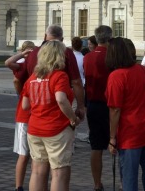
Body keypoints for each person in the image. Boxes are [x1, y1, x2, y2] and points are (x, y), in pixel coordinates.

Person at [105, 37, 145, 191]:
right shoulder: (143, 70)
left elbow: (115, 109)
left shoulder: (116, 76)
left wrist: (112, 138)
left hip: (130, 133)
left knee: (129, 177)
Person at [23, 40, 78, 191]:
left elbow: (25, 105)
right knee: (59, 172)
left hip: (35, 129)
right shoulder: (59, 76)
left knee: (37, 171)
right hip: (56, 129)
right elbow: (61, 98)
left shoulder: (33, 77)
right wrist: (72, 118)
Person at [19, 25, 86, 124]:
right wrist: (80, 107)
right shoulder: (65, 54)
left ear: (45, 36)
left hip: (36, 109)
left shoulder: (33, 53)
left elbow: (19, 80)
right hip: (57, 113)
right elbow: (75, 83)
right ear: (62, 39)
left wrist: (24, 94)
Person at [82, 25, 113, 191]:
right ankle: (123, 182)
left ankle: (97, 183)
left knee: (96, 146)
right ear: (109, 38)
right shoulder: (112, 57)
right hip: (110, 105)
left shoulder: (88, 57)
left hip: (93, 104)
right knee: (117, 143)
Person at [7, 40, 38, 191]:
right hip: (25, 114)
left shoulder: (38, 68)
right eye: (28, 51)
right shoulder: (24, 65)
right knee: (24, 154)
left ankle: (34, 183)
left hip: (35, 115)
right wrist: (23, 54)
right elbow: (8, 63)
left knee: (34, 156)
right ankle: (19, 186)